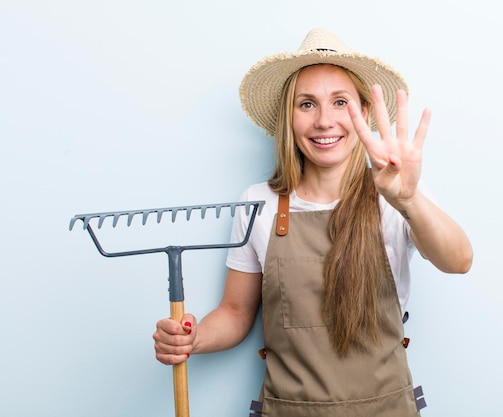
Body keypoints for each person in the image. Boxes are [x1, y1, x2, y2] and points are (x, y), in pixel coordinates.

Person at [153, 28, 473, 417]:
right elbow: (236, 314)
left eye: (340, 102)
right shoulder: (259, 203)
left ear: (365, 115)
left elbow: (459, 260)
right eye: (307, 104)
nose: (324, 121)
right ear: (289, 117)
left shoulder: (395, 195)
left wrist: (408, 199)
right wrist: (194, 338)